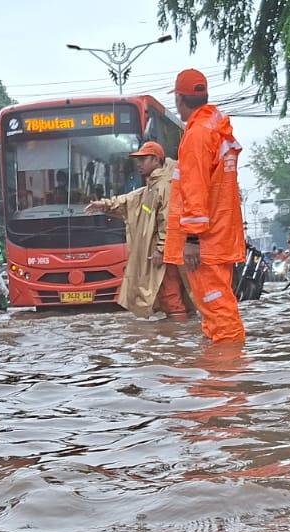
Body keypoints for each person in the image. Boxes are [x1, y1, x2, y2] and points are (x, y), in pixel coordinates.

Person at [165, 69, 247, 344]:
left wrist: (191, 238)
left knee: (218, 313)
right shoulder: (216, 129)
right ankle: (217, 377)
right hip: (220, 235)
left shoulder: (198, 135)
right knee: (217, 311)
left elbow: (195, 189)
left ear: (179, 99)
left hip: (205, 242)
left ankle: (226, 376)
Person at [85, 141, 190, 320]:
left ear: (156, 159)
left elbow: (168, 219)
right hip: (163, 253)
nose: (139, 165)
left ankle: (178, 336)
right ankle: (175, 339)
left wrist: (160, 249)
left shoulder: (165, 185)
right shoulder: (152, 186)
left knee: (171, 297)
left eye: (143, 160)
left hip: (166, 255)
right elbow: (130, 200)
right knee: (167, 297)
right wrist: (104, 204)